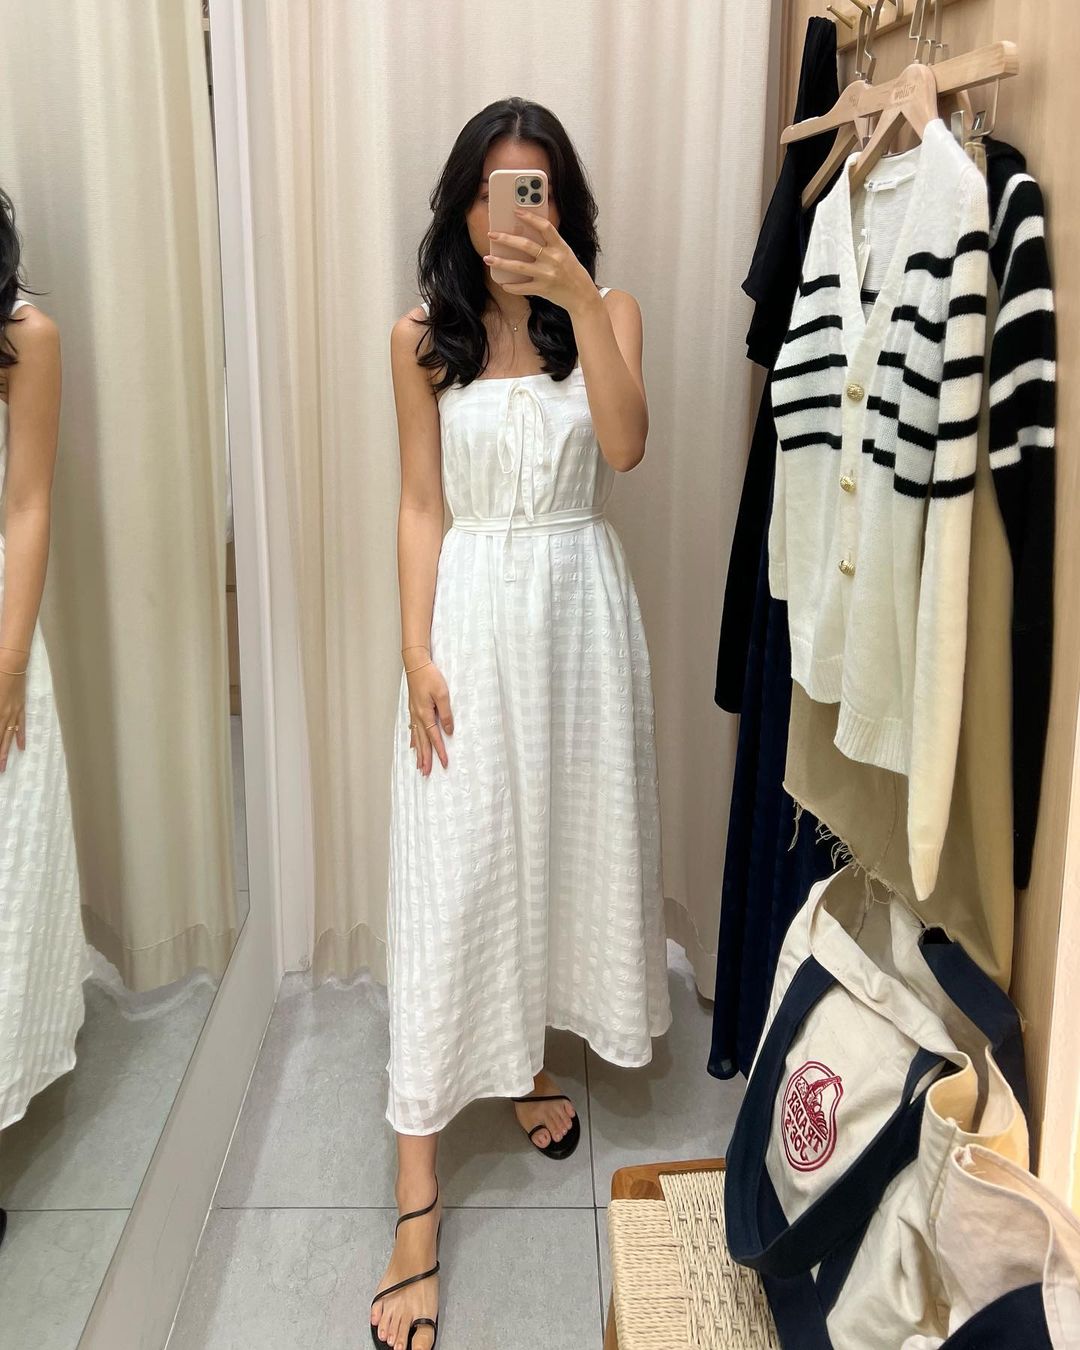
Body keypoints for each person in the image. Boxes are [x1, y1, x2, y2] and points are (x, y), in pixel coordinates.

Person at [371, 98, 672, 1350]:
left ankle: (527, 1063)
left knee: (551, 857)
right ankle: (416, 1206)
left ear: (562, 207)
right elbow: (419, 504)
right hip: (470, 619)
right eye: (494, 192)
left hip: (579, 621)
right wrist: (412, 651)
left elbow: (627, 446)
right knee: (457, 876)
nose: (513, 218)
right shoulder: (420, 338)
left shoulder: (611, 313)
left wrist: (580, 294)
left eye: (534, 193)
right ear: (462, 205)